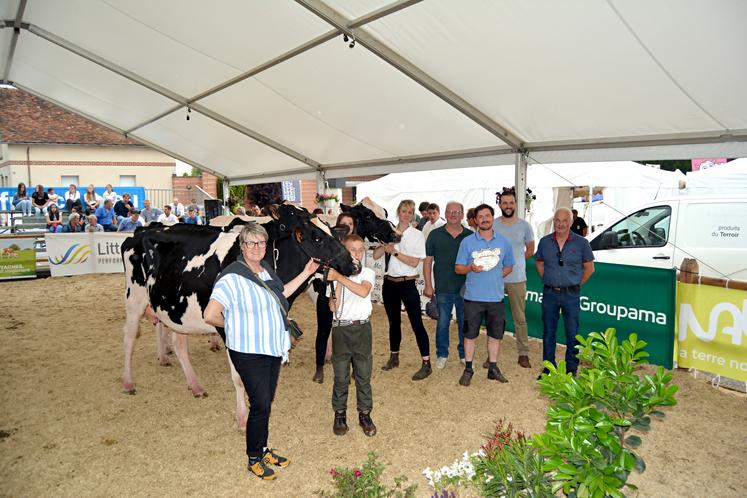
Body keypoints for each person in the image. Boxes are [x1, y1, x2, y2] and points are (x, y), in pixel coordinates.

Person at [204, 223, 319, 480]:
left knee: (265, 403)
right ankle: (254, 458)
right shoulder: (231, 277)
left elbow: (282, 295)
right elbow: (210, 314)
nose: (257, 248)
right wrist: (236, 325)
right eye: (252, 243)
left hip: (270, 348)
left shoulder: (266, 270)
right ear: (243, 247)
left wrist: (306, 272)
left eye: (262, 243)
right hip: (247, 352)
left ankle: (264, 449)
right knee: (260, 404)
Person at [455, 204, 515, 386]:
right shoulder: (467, 242)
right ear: (475, 220)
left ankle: (493, 368)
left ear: (492, 217)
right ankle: (468, 368)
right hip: (473, 298)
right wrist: (470, 268)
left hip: (496, 298)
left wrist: (495, 276)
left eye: (487, 215)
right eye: (480, 216)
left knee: (495, 335)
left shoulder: (503, 242)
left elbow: (509, 266)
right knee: (470, 335)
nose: (484, 219)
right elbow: (458, 268)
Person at [373, 199, 432, 381]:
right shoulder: (389, 232)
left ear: (413, 214)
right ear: (398, 212)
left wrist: (394, 252)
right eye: (403, 211)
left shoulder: (416, 235)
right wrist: (384, 245)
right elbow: (375, 255)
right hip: (389, 283)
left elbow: (415, 262)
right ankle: (394, 356)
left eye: (410, 211)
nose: (406, 214)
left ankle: (426, 362)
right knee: (393, 322)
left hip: (407, 284)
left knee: (416, 323)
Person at [326, 234, 377, 437]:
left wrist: (340, 277)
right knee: (340, 376)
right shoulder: (334, 275)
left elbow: (364, 292)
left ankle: (365, 414)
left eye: (361, 249)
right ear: (343, 251)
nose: (357, 253)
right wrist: (337, 279)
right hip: (341, 328)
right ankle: (340, 415)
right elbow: (333, 307)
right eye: (352, 250)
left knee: (363, 374)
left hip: (362, 328)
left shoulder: (368, 272)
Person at [535, 208, 595, 378]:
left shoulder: (582, 243)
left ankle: (571, 369)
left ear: (571, 222)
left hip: (571, 295)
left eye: (564, 220)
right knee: (548, 331)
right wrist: (549, 280)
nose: (560, 224)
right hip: (550, 294)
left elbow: (590, 269)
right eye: (557, 220)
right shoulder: (544, 242)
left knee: (572, 333)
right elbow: (539, 264)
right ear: (554, 221)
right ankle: (548, 368)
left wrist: (575, 283)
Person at [423, 201, 471, 369]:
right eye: (450, 211)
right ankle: (442, 354)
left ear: (462, 215)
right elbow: (428, 262)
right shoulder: (435, 234)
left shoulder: (469, 236)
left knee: (464, 322)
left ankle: (464, 354)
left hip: (465, 289)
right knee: (443, 322)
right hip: (442, 287)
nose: (453, 214)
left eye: (456, 212)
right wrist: (428, 285)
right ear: (445, 213)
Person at [313, 212, 357, 384]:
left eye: (350, 224)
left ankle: (354, 366)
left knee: (350, 332)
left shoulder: (357, 247)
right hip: (326, 293)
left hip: (348, 295)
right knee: (323, 330)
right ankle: (319, 367)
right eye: (343, 224)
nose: (346, 228)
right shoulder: (327, 246)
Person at [493, 189, 535, 369]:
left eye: (511, 203)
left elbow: (530, 250)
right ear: (500, 204)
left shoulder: (525, 226)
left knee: (520, 318)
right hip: (495, 279)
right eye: (504, 203)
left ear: (515, 204)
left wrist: (515, 263)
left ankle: (523, 353)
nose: (508, 206)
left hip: (517, 278)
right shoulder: (492, 224)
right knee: (495, 318)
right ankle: (492, 355)